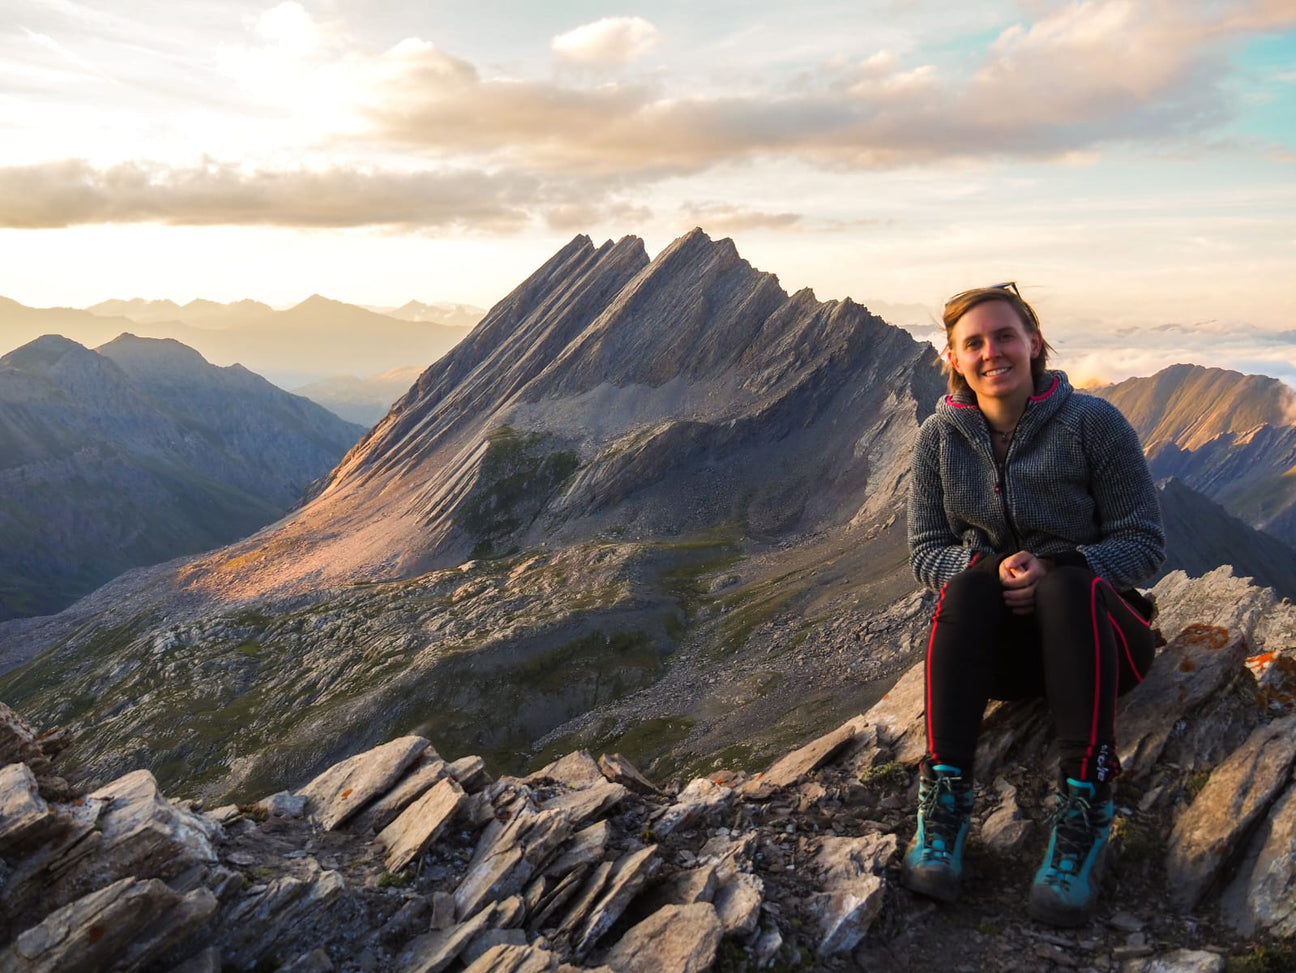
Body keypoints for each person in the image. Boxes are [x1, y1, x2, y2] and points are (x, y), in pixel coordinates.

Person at [901, 282, 1164, 927]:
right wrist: (990, 569)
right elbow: (926, 552)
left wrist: (1057, 566)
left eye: (1005, 336)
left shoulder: (1093, 424)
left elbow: (1144, 546)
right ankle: (945, 800)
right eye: (975, 343)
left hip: (1099, 645)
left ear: (1034, 342)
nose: (993, 351)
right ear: (954, 359)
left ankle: (1087, 801)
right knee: (964, 583)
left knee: (1067, 584)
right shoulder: (938, 439)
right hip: (1008, 666)